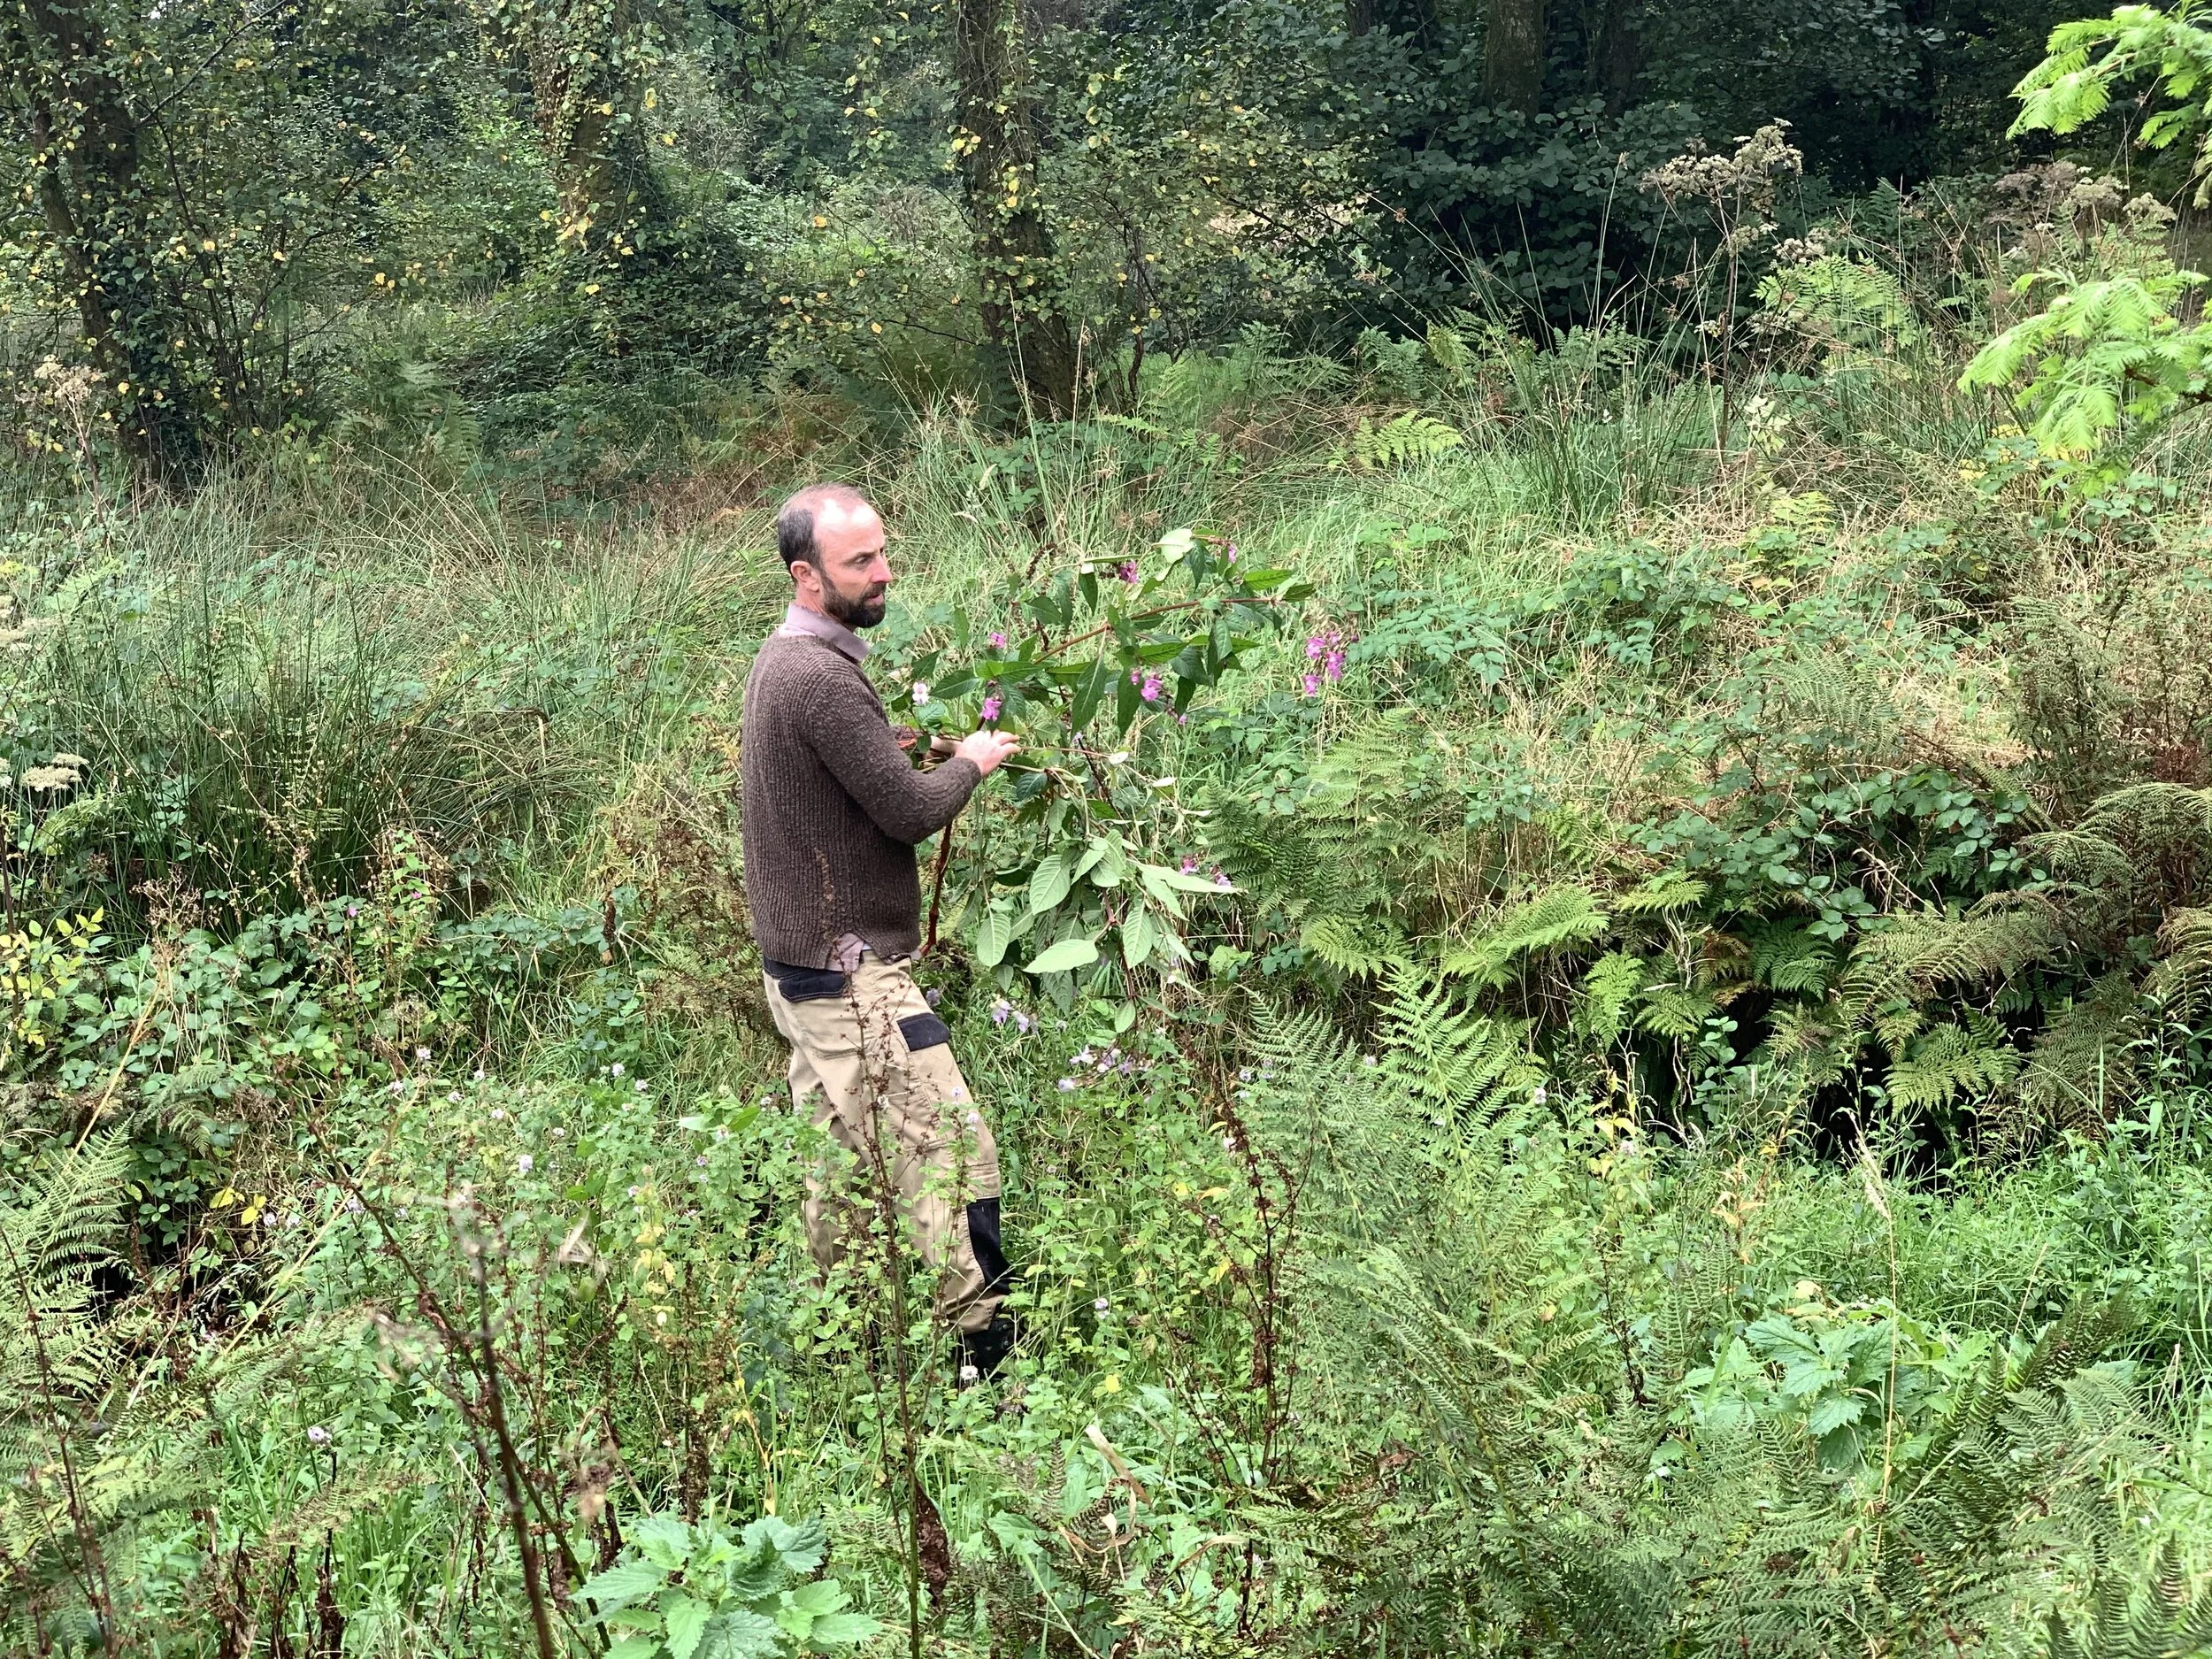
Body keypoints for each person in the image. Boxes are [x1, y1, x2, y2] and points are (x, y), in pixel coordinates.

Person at [741, 482, 1024, 1380]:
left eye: (881, 551)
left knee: (838, 1166)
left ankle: (852, 1346)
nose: (881, 571)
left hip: (800, 976)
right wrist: (971, 762)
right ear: (806, 574)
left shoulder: (786, 660)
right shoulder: (820, 679)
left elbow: (846, 778)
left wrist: (903, 744)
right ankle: (987, 1357)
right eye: (859, 560)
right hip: (851, 974)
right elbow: (904, 816)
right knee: (948, 1151)